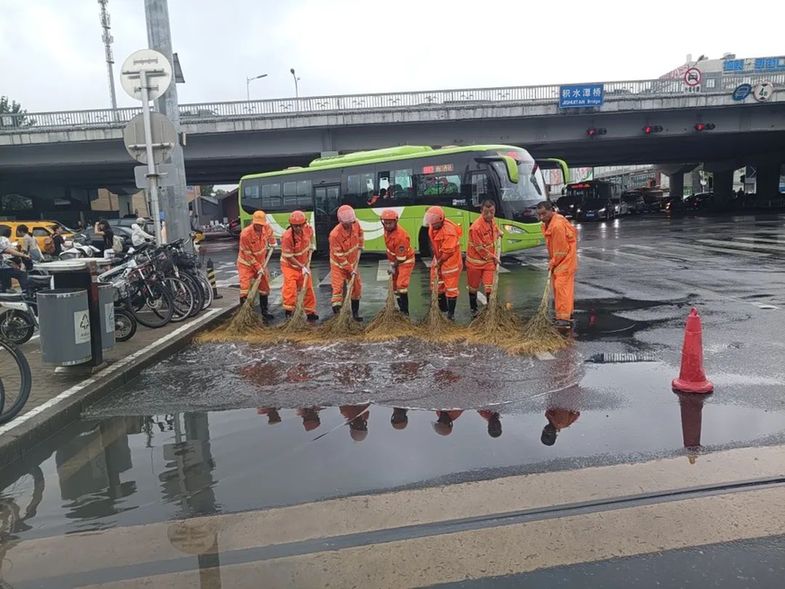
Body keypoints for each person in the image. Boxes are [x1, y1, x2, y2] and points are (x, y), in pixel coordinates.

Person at [537, 201, 577, 327]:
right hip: (563, 259)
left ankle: (563, 319)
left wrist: (552, 262)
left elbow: (561, 250)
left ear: (551, 210)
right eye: (539, 215)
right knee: (563, 288)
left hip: (565, 260)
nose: (541, 217)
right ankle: (566, 314)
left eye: (544, 214)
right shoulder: (548, 224)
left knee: (561, 288)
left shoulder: (557, 226)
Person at [237, 210, 277, 320]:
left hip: (261, 262)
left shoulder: (266, 228)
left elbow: (270, 235)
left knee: (264, 287)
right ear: (253, 222)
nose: (259, 226)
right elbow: (248, 254)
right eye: (257, 224)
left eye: (261, 224)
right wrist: (258, 267)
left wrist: (273, 242)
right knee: (245, 288)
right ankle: (245, 314)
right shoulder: (245, 234)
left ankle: (265, 311)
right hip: (246, 263)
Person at [424, 205, 463, 320]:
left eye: (434, 223)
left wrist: (439, 262)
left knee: (450, 289)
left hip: (451, 262)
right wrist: (436, 259)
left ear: (440, 220)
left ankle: (450, 315)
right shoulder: (433, 226)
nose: (432, 224)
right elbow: (433, 243)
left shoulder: (449, 232)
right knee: (437, 285)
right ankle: (442, 311)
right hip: (440, 257)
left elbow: (447, 253)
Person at [280, 210, 318, 322]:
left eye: (300, 225)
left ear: (304, 223)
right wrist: (302, 266)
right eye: (295, 226)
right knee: (290, 288)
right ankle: (289, 313)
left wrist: (311, 246)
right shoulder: (287, 237)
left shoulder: (308, 229)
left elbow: (311, 238)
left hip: (303, 263)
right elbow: (289, 256)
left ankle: (310, 313)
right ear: (291, 225)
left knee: (308, 287)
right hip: (289, 265)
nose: (298, 228)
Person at [466, 200, 502, 317]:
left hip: (488, 262)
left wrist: (499, 232)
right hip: (475, 263)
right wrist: (494, 257)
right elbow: (479, 248)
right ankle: (473, 309)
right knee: (473, 287)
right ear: (481, 211)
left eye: (492, 212)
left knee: (489, 286)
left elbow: (494, 228)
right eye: (486, 213)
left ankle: (491, 311)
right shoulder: (475, 228)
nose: (489, 215)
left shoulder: (492, 221)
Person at [329, 204, 364, 321]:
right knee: (337, 289)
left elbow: (360, 234)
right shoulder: (334, 235)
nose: (350, 225)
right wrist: (350, 269)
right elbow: (340, 257)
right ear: (341, 221)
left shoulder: (356, 224)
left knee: (356, 287)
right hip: (338, 265)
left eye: (351, 222)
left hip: (353, 262)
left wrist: (361, 246)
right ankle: (339, 318)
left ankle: (355, 314)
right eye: (347, 223)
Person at [381, 209, 415, 315]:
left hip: (405, 261)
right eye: (385, 223)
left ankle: (405, 312)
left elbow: (401, 258)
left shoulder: (401, 236)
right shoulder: (387, 230)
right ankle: (401, 309)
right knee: (395, 286)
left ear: (396, 221)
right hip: (395, 261)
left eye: (390, 223)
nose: (387, 226)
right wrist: (392, 263)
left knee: (401, 285)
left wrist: (393, 266)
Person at [0, 226, 31, 292]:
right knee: (22, 274)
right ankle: (26, 292)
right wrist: (23, 255)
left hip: (3, 267)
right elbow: (9, 250)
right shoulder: (3, 239)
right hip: (3, 267)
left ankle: (6, 289)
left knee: (6, 275)